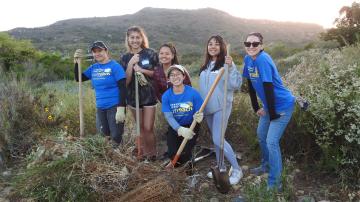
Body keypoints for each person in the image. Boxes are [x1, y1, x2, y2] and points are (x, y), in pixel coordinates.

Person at [242, 32, 295, 191]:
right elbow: (250, 84)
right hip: (269, 106)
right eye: (248, 43)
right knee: (261, 135)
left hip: (282, 105)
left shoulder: (263, 60)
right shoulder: (247, 59)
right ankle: (265, 165)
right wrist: (255, 107)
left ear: (261, 46)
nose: (251, 46)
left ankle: (275, 182)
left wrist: (272, 114)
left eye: (255, 44)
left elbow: (268, 87)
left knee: (272, 141)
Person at [199, 35, 243, 185]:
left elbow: (235, 84)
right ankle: (221, 167)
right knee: (215, 139)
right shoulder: (205, 66)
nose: (212, 47)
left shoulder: (226, 63)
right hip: (208, 108)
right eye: (210, 44)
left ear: (222, 47)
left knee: (218, 138)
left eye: (216, 44)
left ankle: (237, 169)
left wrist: (230, 68)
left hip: (221, 106)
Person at [73, 41, 126, 147]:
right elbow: (79, 78)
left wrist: (121, 108)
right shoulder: (93, 68)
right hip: (100, 107)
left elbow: (123, 88)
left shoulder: (115, 67)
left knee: (115, 136)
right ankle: (107, 158)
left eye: (100, 51)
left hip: (114, 106)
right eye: (94, 52)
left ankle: (119, 158)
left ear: (106, 51)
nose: (97, 54)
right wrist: (76, 63)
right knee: (102, 136)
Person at [120, 26, 158, 160]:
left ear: (142, 38)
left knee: (148, 128)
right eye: (132, 38)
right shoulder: (124, 57)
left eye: (138, 37)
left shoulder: (151, 53)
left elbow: (157, 74)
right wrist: (130, 64)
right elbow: (125, 81)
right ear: (128, 39)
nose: (135, 40)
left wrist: (142, 70)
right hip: (133, 97)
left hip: (149, 96)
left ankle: (152, 155)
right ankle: (143, 155)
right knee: (140, 128)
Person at [162, 65, 203, 167]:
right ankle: (175, 170)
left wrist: (200, 116)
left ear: (184, 76)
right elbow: (168, 116)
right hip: (175, 126)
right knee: (172, 153)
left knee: (185, 153)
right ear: (168, 79)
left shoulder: (193, 93)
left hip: (191, 125)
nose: (175, 77)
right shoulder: (166, 96)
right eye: (172, 75)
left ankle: (189, 173)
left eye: (178, 74)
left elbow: (200, 111)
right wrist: (179, 129)